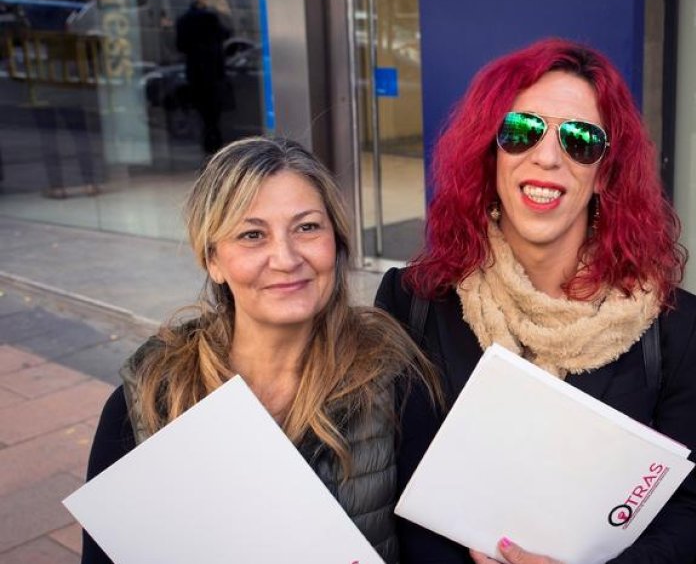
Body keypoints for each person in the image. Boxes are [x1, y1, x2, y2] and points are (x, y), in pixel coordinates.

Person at [375, 38, 696, 564]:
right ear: (490, 152)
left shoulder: (676, 326)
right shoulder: (415, 301)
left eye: (581, 140)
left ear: (605, 171)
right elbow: (393, 489)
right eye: (521, 131)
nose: (546, 156)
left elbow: (691, 510)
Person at [81, 137, 454, 563]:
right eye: (252, 234)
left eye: (307, 227)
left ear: (337, 242)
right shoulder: (148, 397)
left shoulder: (397, 382)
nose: (285, 257)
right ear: (213, 260)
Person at [175, 0, 231, 155]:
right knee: (213, 119)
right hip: (211, 75)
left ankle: (210, 152)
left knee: (206, 119)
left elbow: (180, 46)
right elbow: (227, 33)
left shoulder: (184, 19)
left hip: (197, 75)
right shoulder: (210, 18)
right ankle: (214, 151)